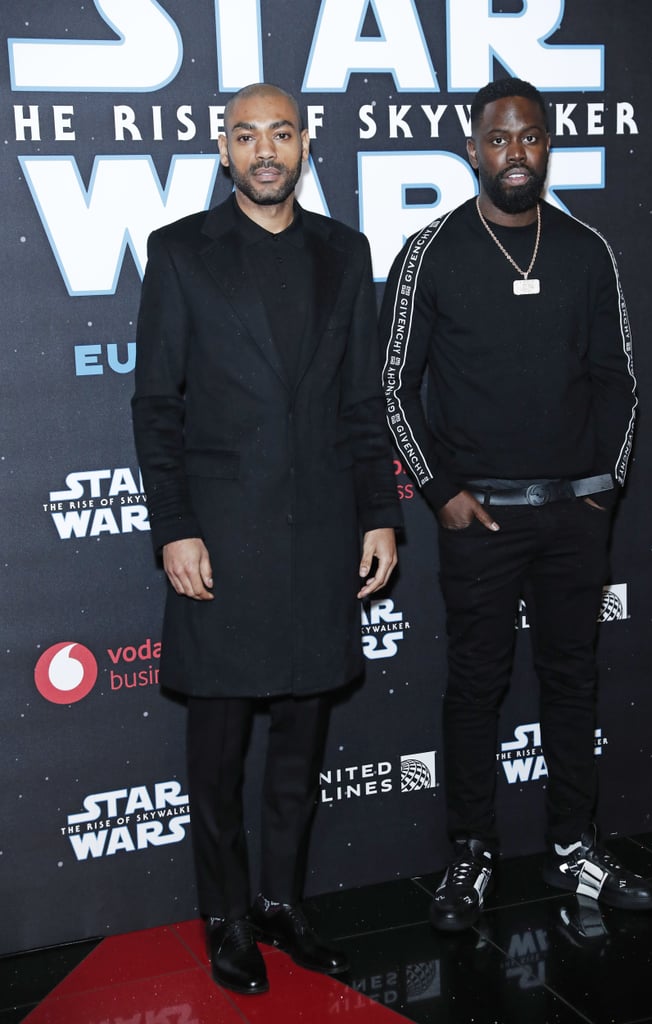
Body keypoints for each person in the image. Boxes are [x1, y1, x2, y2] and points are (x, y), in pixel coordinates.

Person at [132, 82, 400, 993]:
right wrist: (175, 528)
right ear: (222, 148)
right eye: (246, 135)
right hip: (220, 546)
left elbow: (364, 402)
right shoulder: (179, 255)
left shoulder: (344, 251)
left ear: (305, 141)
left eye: (279, 133)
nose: (264, 150)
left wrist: (380, 512)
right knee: (217, 757)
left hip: (321, 541)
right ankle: (227, 917)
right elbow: (154, 407)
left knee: (299, 747)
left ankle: (283, 905)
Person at [379, 77, 652, 932]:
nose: (513, 155)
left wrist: (601, 490)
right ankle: (469, 856)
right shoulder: (429, 252)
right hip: (481, 522)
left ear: (548, 145)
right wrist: (439, 494)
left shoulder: (584, 250)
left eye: (528, 139)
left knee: (572, 683)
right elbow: (393, 388)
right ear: (472, 149)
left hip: (573, 518)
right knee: (476, 689)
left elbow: (620, 384)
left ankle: (575, 847)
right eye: (497, 140)